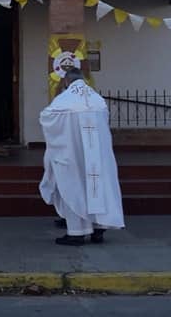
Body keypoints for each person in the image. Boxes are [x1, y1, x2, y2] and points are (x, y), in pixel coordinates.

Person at [39, 67, 124, 246]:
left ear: (66, 81)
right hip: (97, 157)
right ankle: (98, 229)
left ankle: (77, 232)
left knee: (73, 185)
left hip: (73, 154)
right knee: (98, 186)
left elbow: (46, 117)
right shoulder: (98, 100)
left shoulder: (64, 100)